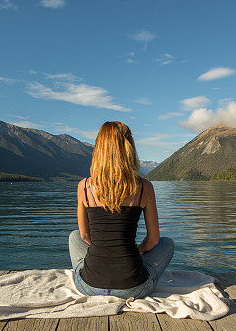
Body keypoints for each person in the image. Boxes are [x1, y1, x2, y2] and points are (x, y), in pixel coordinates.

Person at [69, 121, 174, 299]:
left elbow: (85, 236)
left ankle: (100, 265)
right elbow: (154, 240)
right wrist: (138, 250)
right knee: (167, 243)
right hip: (133, 287)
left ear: (99, 149)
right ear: (129, 149)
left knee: (74, 236)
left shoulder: (84, 186)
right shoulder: (144, 187)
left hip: (90, 286)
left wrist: (104, 251)